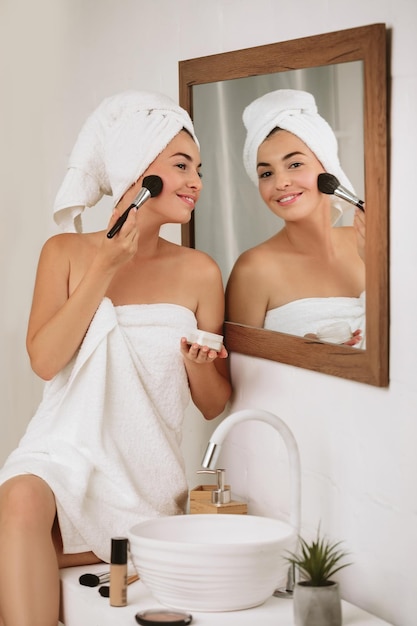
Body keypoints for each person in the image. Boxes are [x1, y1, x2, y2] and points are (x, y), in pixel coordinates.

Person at [0, 90, 232, 626]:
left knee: (12, 546)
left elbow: (214, 403)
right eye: (181, 166)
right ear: (136, 172)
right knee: (18, 503)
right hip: (62, 453)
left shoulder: (200, 271)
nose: (196, 181)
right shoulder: (63, 253)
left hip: (143, 468)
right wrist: (103, 266)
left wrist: (199, 364)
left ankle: (125, 542)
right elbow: (44, 360)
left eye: (198, 167)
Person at [226, 89, 366, 347]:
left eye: (294, 164)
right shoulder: (253, 270)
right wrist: (301, 355)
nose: (281, 183)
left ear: (328, 169)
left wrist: (378, 260)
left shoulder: (367, 244)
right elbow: (241, 376)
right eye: (266, 174)